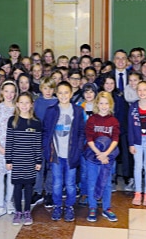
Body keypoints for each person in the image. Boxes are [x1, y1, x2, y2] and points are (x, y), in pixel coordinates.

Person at [43, 81, 85, 222]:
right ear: (56, 94)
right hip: (56, 154)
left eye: (66, 92)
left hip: (71, 154)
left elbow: (81, 132)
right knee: (57, 183)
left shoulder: (78, 111)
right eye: (60, 92)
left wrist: (78, 149)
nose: (63, 95)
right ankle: (57, 206)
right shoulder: (51, 110)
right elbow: (46, 131)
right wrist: (47, 150)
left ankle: (69, 206)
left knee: (71, 183)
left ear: (71, 94)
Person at [5, 92, 43, 226]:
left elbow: (37, 144)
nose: (24, 105)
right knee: (17, 186)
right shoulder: (12, 121)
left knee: (28, 187)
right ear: (17, 104)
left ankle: (27, 211)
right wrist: (8, 160)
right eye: (21, 102)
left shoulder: (36, 123)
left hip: (30, 161)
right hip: (16, 160)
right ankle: (18, 212)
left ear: (32, 104)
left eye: (27, 102)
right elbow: (9, 142)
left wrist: (38, 161)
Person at [85, 92, 120, 222]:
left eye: (106, 103)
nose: (104, 106)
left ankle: (107, 208)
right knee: (92, 182)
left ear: (110, 104)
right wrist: (98, 153)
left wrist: (105, 154)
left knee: (107, 183)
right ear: (97, 104)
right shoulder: (92, 119)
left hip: (108, 157)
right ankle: (92, 207)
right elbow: (89, 138)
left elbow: (115, 139)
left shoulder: (113, 120)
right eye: (101, 103)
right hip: (92, 156)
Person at [0, 81, 18, 221]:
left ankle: (9, 202)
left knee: (12, 177)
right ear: (2, 92)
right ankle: (0, 205)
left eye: (12, 91)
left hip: (14, 148)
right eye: (6, 91)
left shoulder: (17, 109)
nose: (9, 94)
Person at [32, 77, 57, 206]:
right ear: (41, 88)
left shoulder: (56, 102)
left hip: (53, 140)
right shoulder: (37, 102)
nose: (48, 91)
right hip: (38, 138)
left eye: (51, 88)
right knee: (38, 165)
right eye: (45, 88)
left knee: (51, 166)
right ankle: (37, 191)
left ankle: (49, 192)